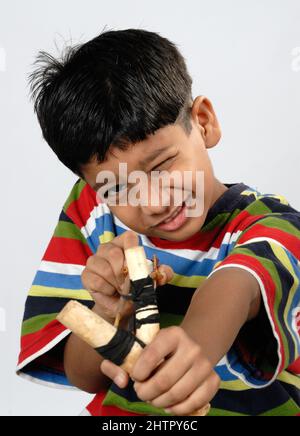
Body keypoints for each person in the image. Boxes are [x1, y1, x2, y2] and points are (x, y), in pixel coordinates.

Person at [17, 29, 300, 416]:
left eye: (163, 165)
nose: (152, 203)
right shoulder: (93, 213)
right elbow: (84, 376)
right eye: (117, 188)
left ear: (203, 122)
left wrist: (194, 345)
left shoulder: (275, 225)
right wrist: (109, 312)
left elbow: (237, 285)